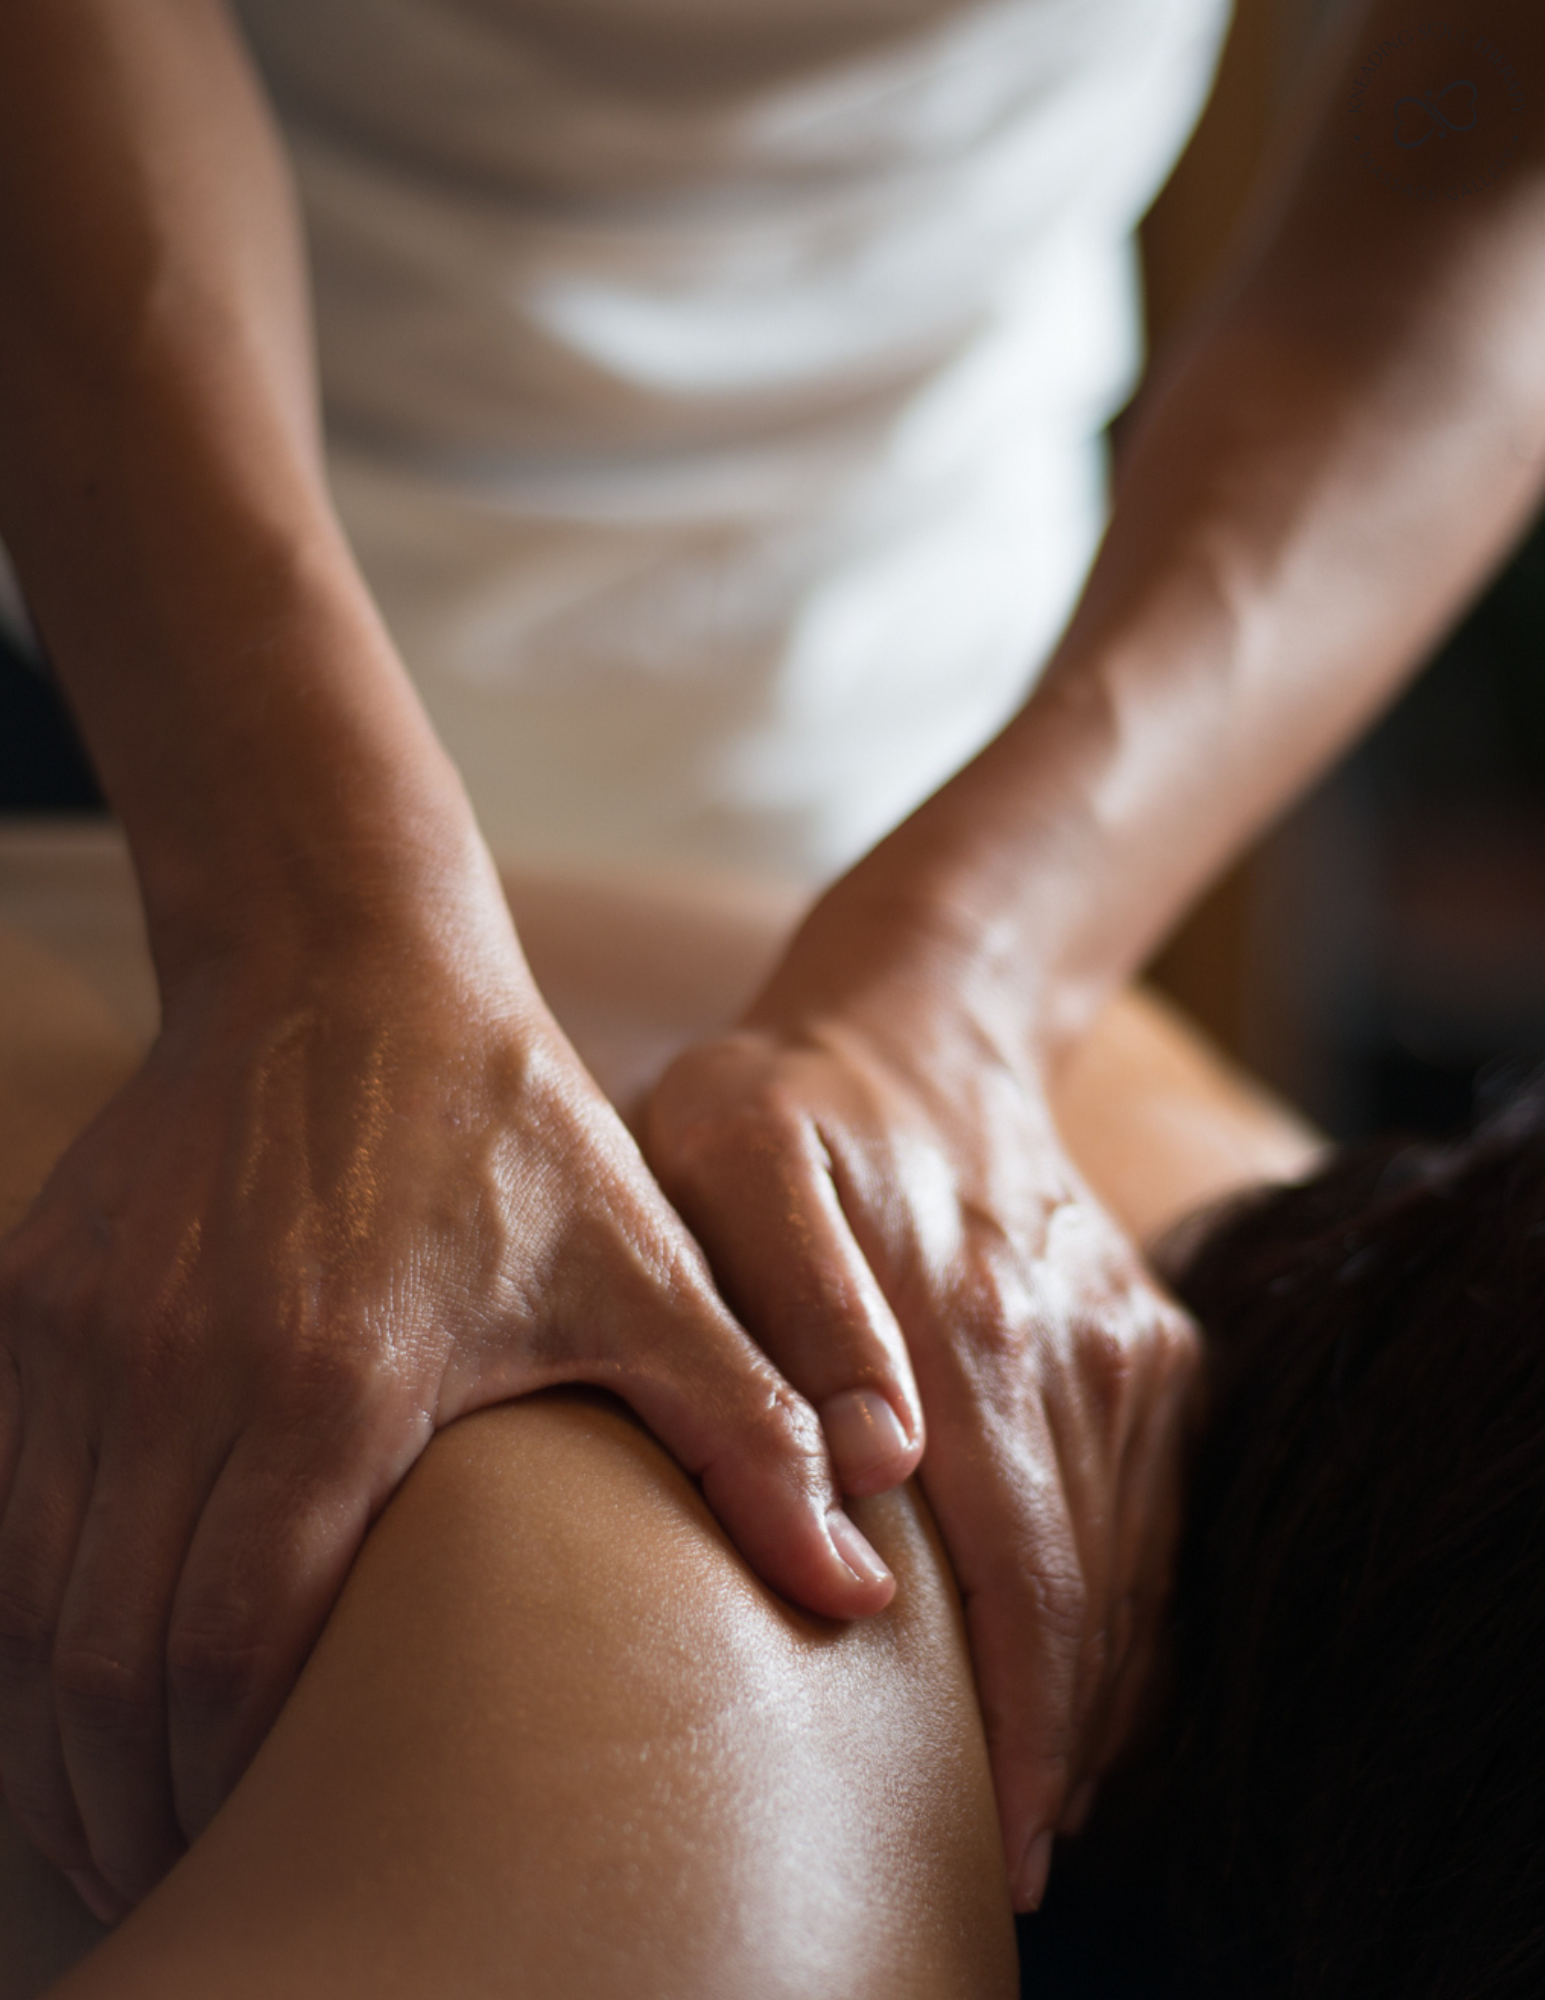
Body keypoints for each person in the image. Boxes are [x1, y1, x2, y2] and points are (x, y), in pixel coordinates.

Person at [1, 0, 1543, 1928]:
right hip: (91, 572)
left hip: (946, 747)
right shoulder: (711, 1847)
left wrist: (965, 974)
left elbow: (1495, 164)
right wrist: (306, 925)